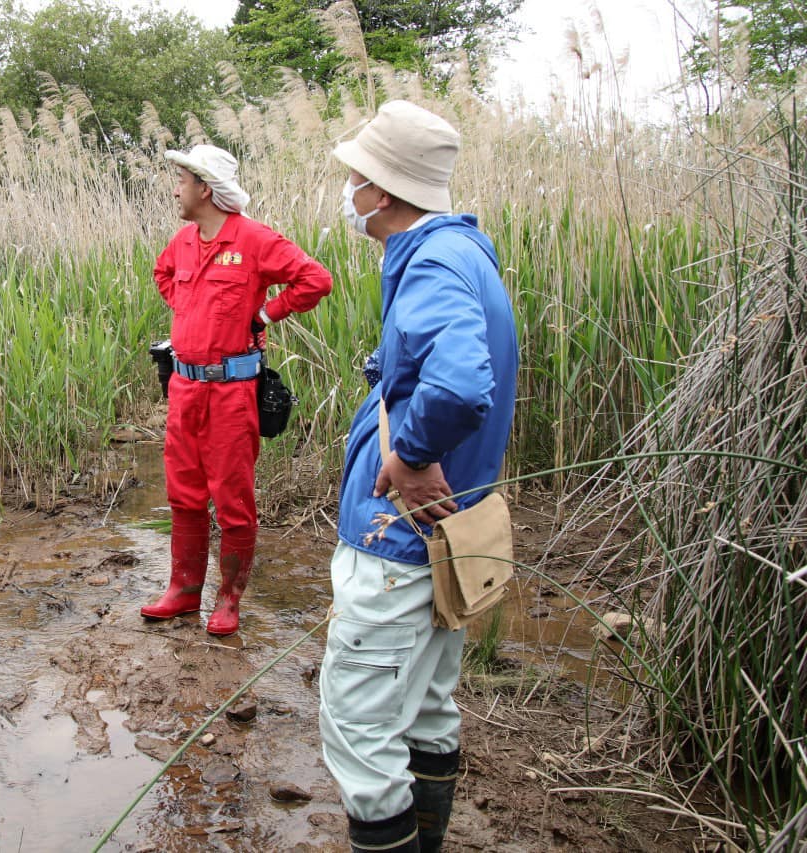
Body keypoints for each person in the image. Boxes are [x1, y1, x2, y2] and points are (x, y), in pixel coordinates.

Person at [320, 101, 519, 852]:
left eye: (356, 175)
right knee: (431, 704)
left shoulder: (432, 262)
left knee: (359, 721)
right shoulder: (465, 253)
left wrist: (407, 453)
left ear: (384, 188)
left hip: (398, 540)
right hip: (445, 536)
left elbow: (463, 383)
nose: (348, 188)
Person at [142, 144, 332, 636]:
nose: (176, 189)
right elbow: (163, 275)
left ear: (205, 188)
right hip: (184, 386)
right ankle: (183, 592)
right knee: (183, 493)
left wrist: (264, 314)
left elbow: (315, 280)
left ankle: (228, 600)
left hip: (232, 392)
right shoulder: (183, 241)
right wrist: (192, 308)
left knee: (232, 498)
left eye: (182, 181)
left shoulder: (254, 238)